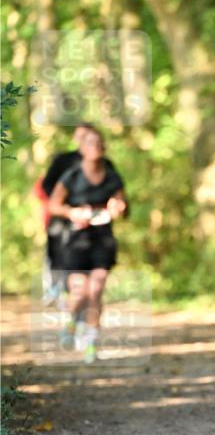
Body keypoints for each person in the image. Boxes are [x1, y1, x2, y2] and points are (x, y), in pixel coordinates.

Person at [48, 128, 127, 363]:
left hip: (103, 237)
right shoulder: (72, 176)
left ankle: (91, 341)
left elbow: (122, 202)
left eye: (99, 143)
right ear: (82, 149)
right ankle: (72, 321)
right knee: (80, 291)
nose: (95, 147)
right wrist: (72, 213)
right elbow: (53, 205)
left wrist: (117, 207)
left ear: (104, 147)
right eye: (90, 143)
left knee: (96, 289)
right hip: (76, 239)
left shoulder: (111, 175)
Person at [33, 121, 116, 302]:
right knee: (58, 254)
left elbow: (116, 193)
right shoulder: (64, 161)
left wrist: (112, 206)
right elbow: (46, 187)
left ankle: (84, 302)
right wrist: (69, 209)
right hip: (64, 221)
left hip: (97, 226)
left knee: (94, 278)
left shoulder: (106, 164)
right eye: (81, 136)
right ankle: (56, 289)